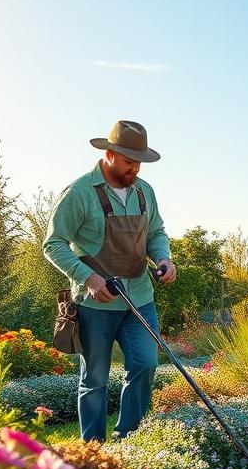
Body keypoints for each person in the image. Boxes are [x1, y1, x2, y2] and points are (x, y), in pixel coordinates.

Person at [43, 120, 176, 442]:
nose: (136, 169)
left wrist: (163, 258)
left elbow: (155, 232)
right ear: (109, 154)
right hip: (95, 304)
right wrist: (88, 277)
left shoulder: (145, 192)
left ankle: (128, 437)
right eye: (130, 161)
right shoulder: (78, 193)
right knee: (96, 379)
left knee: (145, 365)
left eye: (139, 161)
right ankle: (93, 447)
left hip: (139, 297)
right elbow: (53, 244)